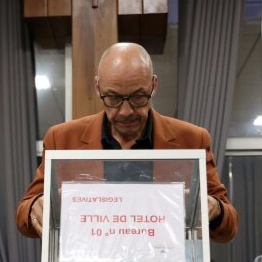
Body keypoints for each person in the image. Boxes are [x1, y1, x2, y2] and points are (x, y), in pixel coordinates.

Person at [16, 42, 238, 243]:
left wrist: (215, 208)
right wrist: (36, 207)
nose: (125, 111)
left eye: (138, 97)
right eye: (112, 98)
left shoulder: (191, 139)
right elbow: (24, 214)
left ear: (154, 85)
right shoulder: (62, 139)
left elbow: (228, 227)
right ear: (97, 88)